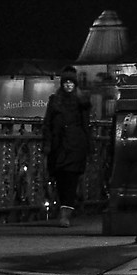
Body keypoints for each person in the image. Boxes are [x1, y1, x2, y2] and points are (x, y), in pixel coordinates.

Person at [41, 66, 92, 227]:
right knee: (61, 178)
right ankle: (65, 207)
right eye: (66, 82)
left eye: (71, 83)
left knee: (71, 178)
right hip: (59, 146)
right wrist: (48, 144)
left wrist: (89, 144)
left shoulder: (81, 102)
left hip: (76, 144)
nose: (68, 85)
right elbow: (47, 123)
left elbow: (86, 124)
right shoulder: (55, 101)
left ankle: (65, 214)